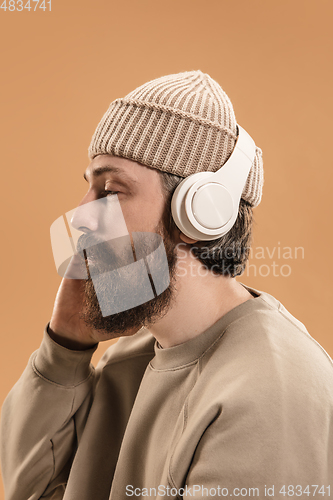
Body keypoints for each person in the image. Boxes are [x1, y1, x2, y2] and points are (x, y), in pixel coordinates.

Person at [1, 71, 332, 500]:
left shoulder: (269, 395)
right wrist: (66, 348)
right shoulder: (128, 364)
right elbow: (28, 490)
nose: (81, 216)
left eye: (111, 190)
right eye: (89, 187)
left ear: (199, 213)